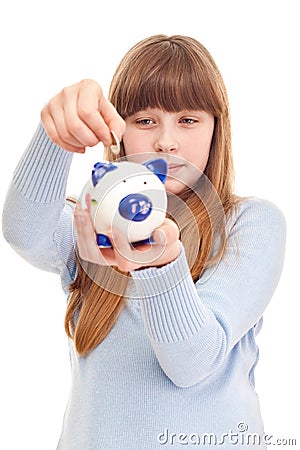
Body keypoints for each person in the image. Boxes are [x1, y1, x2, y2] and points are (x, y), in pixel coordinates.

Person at [2, 35, 286, 449]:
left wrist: (158, 264)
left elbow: (193, 361)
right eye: (145, 120)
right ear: (116, 133)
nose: (165, 142)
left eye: (188, 120)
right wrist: (56, 140)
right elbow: (23, 232)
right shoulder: (96, 219)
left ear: (215, 130)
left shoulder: (250, 224)